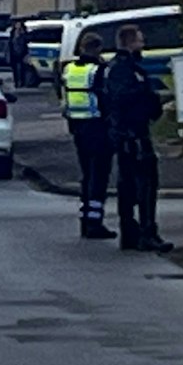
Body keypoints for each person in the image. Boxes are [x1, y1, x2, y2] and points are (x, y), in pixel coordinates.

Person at [102, 23, 172, 253]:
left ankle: (131, 232)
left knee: (129, 186)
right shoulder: (126, 70)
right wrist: (151, 101)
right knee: (144, 186)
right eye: (140, 41)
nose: (143, 45)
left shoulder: (118, 68)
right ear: (130, 43)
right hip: (133, 136)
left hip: (125, 135)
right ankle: (145, 233)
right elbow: (127, 100)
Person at [61, 32, 115, 240]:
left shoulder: (70, 69)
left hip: (77, 127)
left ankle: (85, 221)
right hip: (98, 127)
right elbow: (106, 99)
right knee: (99, 177)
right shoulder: (98, 70)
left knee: (86, 176)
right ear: (98, 48)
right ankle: (94, 222)